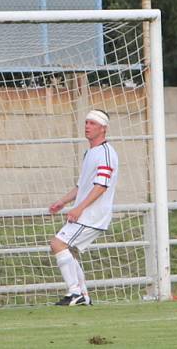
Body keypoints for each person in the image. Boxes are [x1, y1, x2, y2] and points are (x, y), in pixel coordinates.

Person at [48, 109, 119, 306]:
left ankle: (75, 293)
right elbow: (83, 185)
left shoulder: (106, 153)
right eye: (86, 122)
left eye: (92, 123)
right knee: (67, 250)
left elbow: (101, 186)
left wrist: (79, 208)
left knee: (57, 244)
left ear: (103, 128)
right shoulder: (90, 152)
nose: (87, 126)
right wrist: (63, 201)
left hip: (92, 214)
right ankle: (83, 295)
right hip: (87, 213)